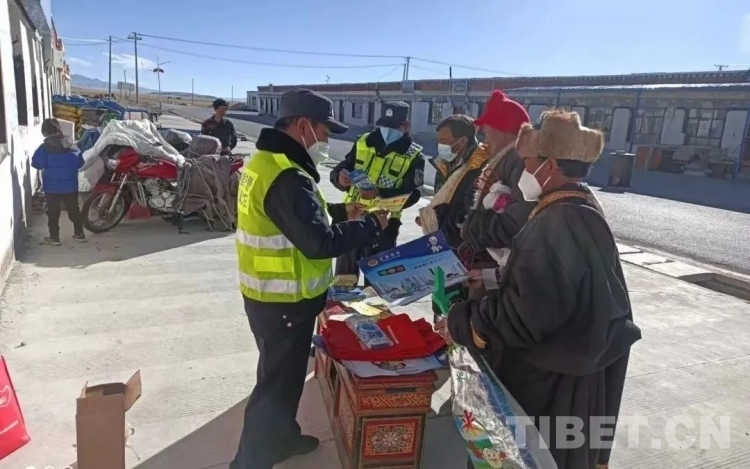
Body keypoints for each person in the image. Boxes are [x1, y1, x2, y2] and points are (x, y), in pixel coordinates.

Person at [437, 110, 642, 469]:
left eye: (530, 162)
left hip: (549, 383)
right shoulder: (576, 204)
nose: (525, 171)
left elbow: (523, 317)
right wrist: (490, 279)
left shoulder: (559, 220)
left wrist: (460, 322)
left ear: (552, 165)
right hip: (570, 368)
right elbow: (553, 285)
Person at [231, 88, 389, 469]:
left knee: (283, 380)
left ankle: (283, 438)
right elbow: (320, 242)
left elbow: (296, 215)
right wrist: (370, 225)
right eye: (324, 131)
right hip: (283, 302)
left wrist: (340, 210)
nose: (326, 140)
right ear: (303, 126)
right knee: (274, 387)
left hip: (271, 297)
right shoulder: (287, 175)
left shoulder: (268, 162)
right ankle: (249, 462)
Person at [330, 101, 425, 280]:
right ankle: (343, 298)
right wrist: (339, 179)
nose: (386, 130)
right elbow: (342, 169)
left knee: (378, 283)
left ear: (405, 126)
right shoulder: (363, 142)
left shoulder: (414, 156)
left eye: (392, 127)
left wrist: (380, 193)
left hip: (384, 225)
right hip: (351, 219)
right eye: (384, 126)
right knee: (344, 280)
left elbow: (413, 194)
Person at [459, 90, 534, 295]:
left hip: (496, 270)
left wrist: (473, 226)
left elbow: (515, 224)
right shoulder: (505, 158)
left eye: (487, 132)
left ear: (505, 130)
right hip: (488, 265)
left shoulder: (518, 161)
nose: (484, 140)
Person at [31, 118, 85, 246]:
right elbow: (80, 163)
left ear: (45, 132)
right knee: (74, 210)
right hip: (71, 186)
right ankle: (79, 234)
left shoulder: (44, 148)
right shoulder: (73, 145)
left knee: (53, 212)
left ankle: (54, 238)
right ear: (59, 129)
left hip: (52, 187)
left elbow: (37, 164)